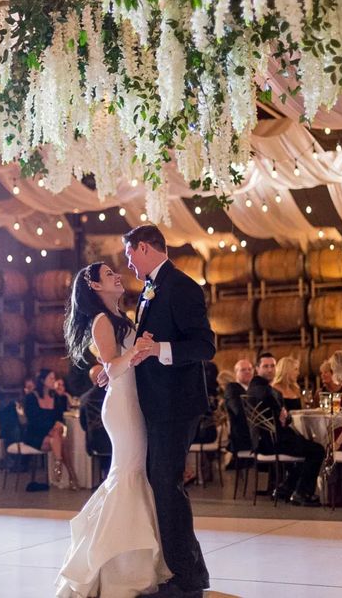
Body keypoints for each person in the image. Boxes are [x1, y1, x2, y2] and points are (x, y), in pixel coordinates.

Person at [56, 261, 171, 598]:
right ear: (93, 286)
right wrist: (135, 350)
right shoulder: (102, 321)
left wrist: (139, 348)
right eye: (108, 274)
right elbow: (112, 365)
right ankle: (115, 568)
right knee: (127, 476)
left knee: (131, 476)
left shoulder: (119, 318)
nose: (117, 276)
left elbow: (121, 364)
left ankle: (123, 562)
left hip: (132, 401)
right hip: (123, 407)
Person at [123, 225, 215, 598]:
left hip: (177, 404)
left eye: (130, 254)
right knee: (163, 486)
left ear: (144, 247)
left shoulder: (181, 286)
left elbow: (204, 346)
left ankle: (186, 579)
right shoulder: (150, 288)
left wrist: (158, 348)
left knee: (167, 486)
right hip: (158, 405)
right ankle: (188, 570)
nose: (128, 262)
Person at [247, 352, 325, 507]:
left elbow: (283, 416)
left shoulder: (256, 388)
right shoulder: (264, 389)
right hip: (273, 442)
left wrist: (284, 415)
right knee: (317, 450)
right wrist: (284, 414)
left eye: (272, 366)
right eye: (265, 366)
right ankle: (302, 493)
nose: (270, 370)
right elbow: (283, 419)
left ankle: (286, 488)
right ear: (257, 369)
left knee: (308, 447)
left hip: (265, 441)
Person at [24, 369, 78, 490]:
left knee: (57, 438)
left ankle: (58, 464)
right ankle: (71, 476)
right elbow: (33, 421)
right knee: (61, 441)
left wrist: (58, 424)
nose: (54, 381)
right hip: (35, 435)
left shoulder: (55, 397)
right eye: (51, 378)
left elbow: (59, 417)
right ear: (43, 381)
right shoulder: (31, 398)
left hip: (52, 436)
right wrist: (50, 429)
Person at [79, 364, 112, 476]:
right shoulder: (113, 395)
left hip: (94, 442)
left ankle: (102, 477)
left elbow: (83, 425)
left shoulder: (85, 398)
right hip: (114, 440)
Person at [224, 358, 254, 456]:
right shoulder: (232, 388)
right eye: (243, 370)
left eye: (250, 369)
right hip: (243, 437)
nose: (247, 372)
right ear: (235, 373)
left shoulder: (254, 389)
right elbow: (239, 412)